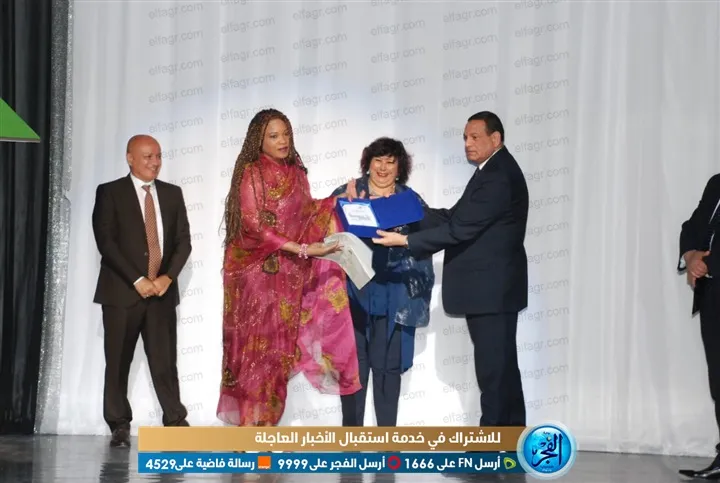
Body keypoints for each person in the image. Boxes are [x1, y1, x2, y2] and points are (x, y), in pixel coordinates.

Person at [370, 111, 529, 427]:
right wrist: (403, 210)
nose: (468, 143)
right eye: (465, 137)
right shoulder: (490, 171)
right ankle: (512, 440)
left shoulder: (497, 176)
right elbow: (453, 217)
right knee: (502, 371)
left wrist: (406, 240)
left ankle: (489, 448)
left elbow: (458, 230)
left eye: (475, 137)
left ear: (495, 139)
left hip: (491, 292)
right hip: (491, 291)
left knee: (494, 373)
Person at [217, 108, 361, 426]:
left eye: (285, 134)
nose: (282, 141)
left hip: (287, 277)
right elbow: (254, 226)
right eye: (274, 136)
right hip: (254, 277)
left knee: (278, 355)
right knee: (255, 353)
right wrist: (303, 249)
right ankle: (248, 429)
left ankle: (266, 427)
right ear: (259, 141)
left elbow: (307, 214)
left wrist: (338, 200)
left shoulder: (296, 172)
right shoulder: (252, 173)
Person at [91, 134, 192, 448]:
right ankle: (119, 424)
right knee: (118, 362)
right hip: (122, 293)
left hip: (161, 294)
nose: (155, 162)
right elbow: (106, 242)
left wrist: (166, 278)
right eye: (148, 156)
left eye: (159, 156)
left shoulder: (172, 194)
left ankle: (175, 422)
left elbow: (183, 243)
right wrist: (138, 279)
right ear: (130, 158)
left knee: (165, 363)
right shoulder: (109, 192)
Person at [330, 137, 434, 426]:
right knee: (353, 368)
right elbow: (320, 228)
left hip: (395, 296)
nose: (384, 167)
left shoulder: (409, 199)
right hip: (353, 293)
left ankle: (387, 440)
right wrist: (337, 205)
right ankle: (351, 439)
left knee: (388, 369)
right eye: (378, 160)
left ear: (400, 167)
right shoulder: (349, 192)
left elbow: (431, 237)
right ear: (368, 163)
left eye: (391, 161)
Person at [677, 173, 720, 479]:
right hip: (713, 296)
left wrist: (709, 262)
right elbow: (692, 227)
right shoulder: (717, 183)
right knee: (718, 380)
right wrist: (691, 255)